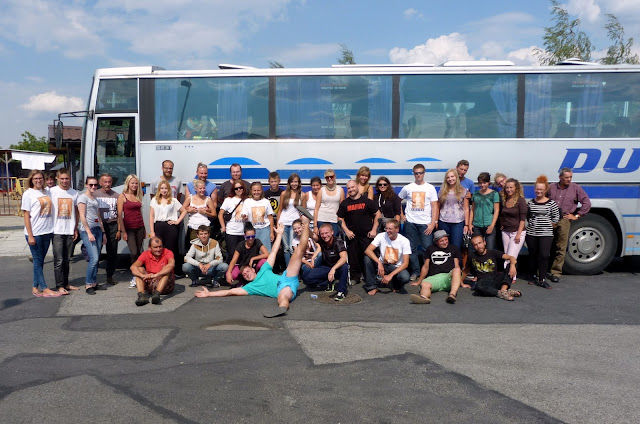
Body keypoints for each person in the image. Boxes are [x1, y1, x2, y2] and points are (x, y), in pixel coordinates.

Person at [194, 217, 312, 318]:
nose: (246, 274)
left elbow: (273, 252)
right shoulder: (251, 287)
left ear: (252, 269)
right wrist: (209, 294)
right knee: (282, 297)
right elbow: (230, 292)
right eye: (244, 275)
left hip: (287, 277)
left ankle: (306, 224)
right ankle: (282, 308)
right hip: (282, 289)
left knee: (298, 253)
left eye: (247, 271)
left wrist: (280, 235)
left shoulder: (264, 269)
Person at [548, 167, 591, 282]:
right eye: (566, 177)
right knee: (545, 245)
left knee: (561, 247)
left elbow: (587, 203)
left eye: (570, 177)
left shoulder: (575, 188)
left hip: (564, 219)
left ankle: (556, 272)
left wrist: (577, 215)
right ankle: (541, 271)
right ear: (560, 177)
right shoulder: (551, 187)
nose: (569, 179)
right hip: (550, 219)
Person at [398, 163, 439, 281]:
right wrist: (402, 215)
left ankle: (428, 271)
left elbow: (435, 207)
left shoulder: (430, 188)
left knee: (427, 248)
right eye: (416, 173)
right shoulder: (408, 187)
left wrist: (432, 223)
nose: (418, 175)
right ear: (413, 173)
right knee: (411, 248)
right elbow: (397, 201)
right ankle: (415, 271)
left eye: (420, 173)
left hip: (425, 223)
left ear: (424, 173)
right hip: (410, 223)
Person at [22, 170, 59, 297]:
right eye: (36, 178)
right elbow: (26, 215)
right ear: (31, 180)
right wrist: (30, 235)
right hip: (35, 233)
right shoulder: (28, 194)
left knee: (40, 261)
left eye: (40, 178)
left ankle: (34, 287)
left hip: (47, 231)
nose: (38, 180)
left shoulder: (47, 191)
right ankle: (44, 287)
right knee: (37, 260)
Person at [338, 180, 379, 285]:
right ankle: (355, 277)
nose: (351, 190)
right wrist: (346, 231)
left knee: (368, 257)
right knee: (353, 257)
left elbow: (378, 214)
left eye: (353, 187)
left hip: (367, 235)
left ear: (357, 187)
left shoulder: (367, 201)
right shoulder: (344, 204)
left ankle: (370, 277)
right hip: (352, 236)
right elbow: (340, 219)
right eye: (349, 188)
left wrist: (374, 229)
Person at [526, 175, 561, 289]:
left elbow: (556, 217)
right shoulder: (531, 203)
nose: (539, 191)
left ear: (545, 190)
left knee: (544, 255)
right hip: (532, 233)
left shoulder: (551, 203)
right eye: (537, 189)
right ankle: (532, 275)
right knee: (533, 254)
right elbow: (528, 216)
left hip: (546, 233)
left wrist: (550, 224)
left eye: (541, 189)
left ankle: (542, 279)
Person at [49, 168, 80, 294]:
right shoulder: (52, 191)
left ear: (70, 178)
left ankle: (66, 283)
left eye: (66, 178)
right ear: (57, 178)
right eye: (62, 178)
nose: (64, 181)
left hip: (70, 230)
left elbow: (77, 212)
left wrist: (75, 227)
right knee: (59, 260)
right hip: (56, 230)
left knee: (67, 259)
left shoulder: (74, 193)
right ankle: (59, 285)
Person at [464, 234, 521, 301]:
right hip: (483, 282)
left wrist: (512, 265)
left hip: (496, 279)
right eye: (475, 245)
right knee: (478, 287)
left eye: (480, 243)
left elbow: (512, 258)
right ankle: (502, 292)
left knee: (512, 265)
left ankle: (503, 290)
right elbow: (466, 270)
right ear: (473, 246)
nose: (478, 246)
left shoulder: (493, 252)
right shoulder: (472, 256)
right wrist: (461, 282)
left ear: (484, 242)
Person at [410, 230, 461, 304]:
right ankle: (424, 298)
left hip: (448, 277)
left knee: (457, 270)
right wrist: (419, 281)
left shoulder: (453, 248)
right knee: (425, 284)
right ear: (436, 242)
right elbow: (425, 267)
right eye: (442, 241)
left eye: (446, 239)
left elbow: (457, 266)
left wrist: (461, 282)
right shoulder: (430, 249)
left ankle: (452, 295)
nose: (445, 242)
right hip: (434, 277)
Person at [302, 223, 349, 300]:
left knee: (345, 266)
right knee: (307, 277)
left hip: (338, 268)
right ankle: (329, 282)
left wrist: (333, 269)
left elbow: (344, 258)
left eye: (327, 233)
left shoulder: (338, 241)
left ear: (332, 232)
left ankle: (341, 291)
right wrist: (307, 228)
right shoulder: (322, 241)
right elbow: (313, 236)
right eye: (322, 234)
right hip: (326, 267)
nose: (324, 235)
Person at [364, 219, 411, 296]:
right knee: (367, 259)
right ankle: (372, 287)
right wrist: (379, 262)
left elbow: (405, 263)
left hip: (395, 267)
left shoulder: (404, 241)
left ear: (397, 229)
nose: (387, 231)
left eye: (390, 229)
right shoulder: (381, 236)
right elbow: (368, 250)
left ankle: (394, 283)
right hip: (383, 264)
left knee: (405, 277)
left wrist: (391, 275)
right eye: (386, 228)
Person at [77, 176, 107, 295]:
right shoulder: (82, 198)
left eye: (95, 185)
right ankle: (88, 284)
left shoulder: (94, 199)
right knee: (93, 258)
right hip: (87, 231)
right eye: (91, 185)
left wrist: (103, 233)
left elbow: (98, 216)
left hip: (97, 229)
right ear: (86, 185)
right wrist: (89, 233)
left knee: (97, 258)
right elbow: (82, 216)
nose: (93, 187)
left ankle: (94, 283)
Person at [117, 174, 146, 287]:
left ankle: (140, 275)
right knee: (133, 252)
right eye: (132, 183)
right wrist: (123, 231)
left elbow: (140, 213)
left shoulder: (138, 195)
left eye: (136, 183)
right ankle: (134, 275)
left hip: (140, 227)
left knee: (138, 252)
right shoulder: (122, 196)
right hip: (129, 228)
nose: (134, 185)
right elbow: (120, 215)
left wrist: (144, 229)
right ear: (128, 183)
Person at [150, 180, 187, 266]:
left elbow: (184, 211)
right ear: (159, 190)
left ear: (169, 189)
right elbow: (151, 216)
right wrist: (152, 231)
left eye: (166, 188)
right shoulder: (154, 200)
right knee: (159, 248)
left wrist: (177, 221)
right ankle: (159, 267)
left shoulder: (173, 200)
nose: (164, 190)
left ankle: (172, 268)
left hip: (170, 227)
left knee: (171, 249)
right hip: (158, 226)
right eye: (162, 188)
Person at [132, 237, 175, 306]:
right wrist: (143, 275)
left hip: (165, 285)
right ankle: (142, 296)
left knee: (166, 269)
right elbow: (133, 267)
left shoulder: (168, 252)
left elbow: (171, 265)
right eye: (155, 247)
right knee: (139, 269)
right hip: (151, 282)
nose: (158, 249)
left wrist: (157, 274)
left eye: (160, 246)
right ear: (149, 247)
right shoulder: (145, 254)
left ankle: (157, 295)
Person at [95, 173, 120, 285]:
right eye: (105, 182)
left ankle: (110, 276)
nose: (107, 184)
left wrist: (119, 229)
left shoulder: (116, 195)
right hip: (98, 226)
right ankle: (93, 277)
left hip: (113, 225)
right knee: (96, 252)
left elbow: (119, 214)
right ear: (100, 183)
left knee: (112, 252)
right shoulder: (95, 194)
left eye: (109, 182)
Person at [277, 173, 307, 264]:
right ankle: (287, 269)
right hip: (283, 222)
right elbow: (280, 210)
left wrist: (303, 224)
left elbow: (304, 212)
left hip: (295, 224)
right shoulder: (284, 194)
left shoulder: (302, 195)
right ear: (289, 183)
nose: (294, 184)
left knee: (292, 247)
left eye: (296, 182)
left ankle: (294, 268)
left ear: (299, 183)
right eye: (292, 182)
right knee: (286, 248)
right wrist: (278, 223)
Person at [437, 169, 470, 249]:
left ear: (456, 177)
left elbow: (466, 208)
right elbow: (438, 206)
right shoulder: (442, 191)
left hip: (458, 222)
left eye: (452, 176)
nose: (450, 179)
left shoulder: (464, 191)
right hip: (443, 221)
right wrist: (436, 221)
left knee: (456, 246)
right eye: (448, 177)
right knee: (444, 246)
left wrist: (466, 224)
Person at [499, 178, 527, 263]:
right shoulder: (505, 199)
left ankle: (509, 272)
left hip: (517, 232)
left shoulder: (521, 200)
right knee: (507, 257)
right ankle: (509, 272)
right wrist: (502, 225)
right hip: (506, 232)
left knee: (511, 258)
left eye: (511, 187)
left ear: (516, 188)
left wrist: (518, 234)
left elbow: (522, 219)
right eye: (507, 188)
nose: (509, 190)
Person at [219, 181, 247, 262]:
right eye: (236, 188)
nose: (239, 190)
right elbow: (220, 214)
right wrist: (223, 227)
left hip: (243, 232)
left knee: (242, 254)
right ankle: (230, 269)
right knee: (232, 254)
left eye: (240, 188)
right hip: (231, 231)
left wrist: (246, 218)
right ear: (233, 190)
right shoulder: (228, 200)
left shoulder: (247, 200)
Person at [470, 172, 500, 250]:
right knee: (477, 248)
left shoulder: (494, 194)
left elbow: (496, 210)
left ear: (488, 182)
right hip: (476, 225)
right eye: (480, 183)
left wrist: (492, 225)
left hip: (489, 224)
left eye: (484, 183)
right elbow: (472, 209)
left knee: (490, 248)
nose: (482, 185)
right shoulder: (476, 194)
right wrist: (470, 224)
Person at [241, 181, 274, 250]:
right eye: (254, 190)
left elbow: (270, 218)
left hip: (265, 229)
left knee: (266, 250)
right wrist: (244, 217)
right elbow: (244, 216)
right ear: (251, 191)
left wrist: (271, 232)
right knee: (252, 250)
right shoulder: (247, 201)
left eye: (258, 190)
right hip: (252, 230)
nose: (256, 192)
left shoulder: (266, 202)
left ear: (261, 191)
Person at [313, 169, 344, 238]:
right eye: (327, 177)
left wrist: (342, 223)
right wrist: (315, 226)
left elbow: (342, 208)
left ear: (335, 176)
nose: (329, 179)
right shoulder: (321, 190)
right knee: (323, 240)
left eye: (331, 176)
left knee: (334, 240)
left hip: (334, 220)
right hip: (321, 219)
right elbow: (316, 209)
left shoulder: (340, 190)